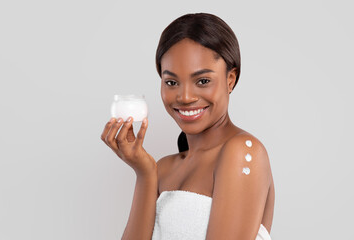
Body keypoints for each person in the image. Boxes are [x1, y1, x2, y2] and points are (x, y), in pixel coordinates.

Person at [101, 12, 274, 240]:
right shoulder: (162, 169)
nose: (184, 97)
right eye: (171, 82)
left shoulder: (243, 152)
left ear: (230, 79)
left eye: (202, 81)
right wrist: (145, 173)